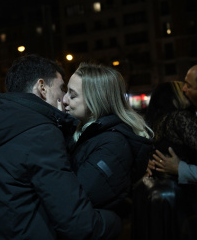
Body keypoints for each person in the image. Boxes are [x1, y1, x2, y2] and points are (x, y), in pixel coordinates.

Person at [0, 54, 121, 240]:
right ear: (42, 87)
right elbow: (78, 223)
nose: (64, 99)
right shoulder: (40, 132)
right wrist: (114, 220)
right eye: (61, 88)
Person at [132, 79, 197, 240]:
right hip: (173, 193)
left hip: (151, 190)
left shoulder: (156, 121)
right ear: (175, 97)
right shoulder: (178, 118)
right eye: (182, 90)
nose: (185, 91)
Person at [62, 63, 153, 217]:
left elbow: (74, 198)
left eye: (72, 95)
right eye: (66, 91)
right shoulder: (82, 131)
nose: (64, 100)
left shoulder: (113, 144)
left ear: (95, 100)